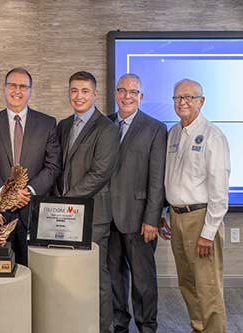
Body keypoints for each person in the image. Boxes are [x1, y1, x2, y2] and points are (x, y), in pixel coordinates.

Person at [160, 79, 230, 333]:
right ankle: (198, 328)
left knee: (208, 287)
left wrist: (208, 233)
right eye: (178, 98)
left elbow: (220, 192)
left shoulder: (213, 136)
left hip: (201, 219)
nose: (183, 102)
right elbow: (169, 178)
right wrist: (164, 212)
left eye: (189, 97)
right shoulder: (174, 133)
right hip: (177, 219)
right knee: (187, 284)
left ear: (202, 101)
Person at [0, 67, 61, 266]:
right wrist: (6, 192)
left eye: (23, 86)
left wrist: (29, 191)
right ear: (4, 89)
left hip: (32, 210)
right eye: (12, 85)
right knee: (0, 271)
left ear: (30, 91)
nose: (17, 90)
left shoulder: (47, 123)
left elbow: (53, 165)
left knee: (34, 270)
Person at [55, 71, 119, 333]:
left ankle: (104, 328)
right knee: (70, 274)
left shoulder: (106, 128)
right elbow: (57, 167)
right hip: (67, 214)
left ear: (94, 94)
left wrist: (65, 199)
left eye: (84, 91)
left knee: (97, 276)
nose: (78, 96)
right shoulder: (63, 126)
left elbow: (100, 173)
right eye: (73, 90)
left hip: (93, 214)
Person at [107, 73, 167, 333]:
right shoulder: (106, 124)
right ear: (115, 94)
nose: (127, 96)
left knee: (143, 281)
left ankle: (146, 326)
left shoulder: (155, 128)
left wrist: (152, 218)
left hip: (139, 217)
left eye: (133, 92)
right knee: (114, 277)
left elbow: (157, 179)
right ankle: (120, 323)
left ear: (141, 97)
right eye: (122, 91)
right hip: (108, 218)